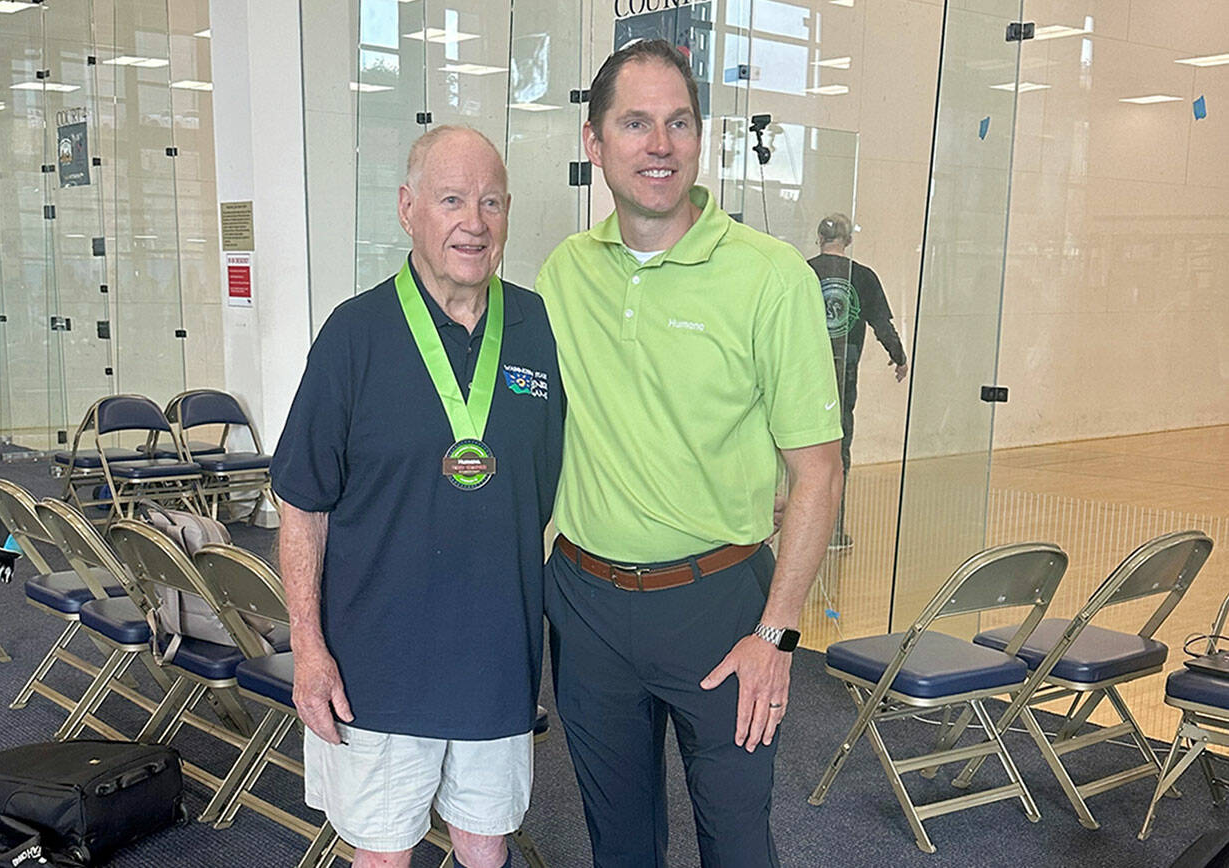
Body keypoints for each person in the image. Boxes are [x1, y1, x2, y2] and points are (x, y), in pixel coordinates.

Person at [535, 39, 844, 868]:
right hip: (587, 605)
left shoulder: (770, 276)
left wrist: (777, 633)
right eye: (635, 123)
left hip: (720, 605)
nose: (660, 145)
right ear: (594, 141)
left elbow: (819, 471)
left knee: (737, 843)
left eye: (679, 123)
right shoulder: (564, 274)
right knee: (619, 844)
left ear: (701, 139)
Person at [271, 126, 564, 868]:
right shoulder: (354, 335)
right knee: (383, 853)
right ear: (408, 209)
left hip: (497, 656)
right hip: (377, 661)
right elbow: (302, 506)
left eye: (492, 202)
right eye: (452, 200)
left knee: (485, 844)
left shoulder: (537, 328)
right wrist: (308, 647)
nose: (475, 222)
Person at [806, 213, 908, 552]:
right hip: (844, 374)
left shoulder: (802, 272)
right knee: (839, 448)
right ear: (848, 240)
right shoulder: (863, 277)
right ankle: (833, 530)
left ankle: (799, 526)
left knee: (800, 446)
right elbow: (882, 323)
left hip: (803, 373)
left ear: (819, 238)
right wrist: (899, 356)